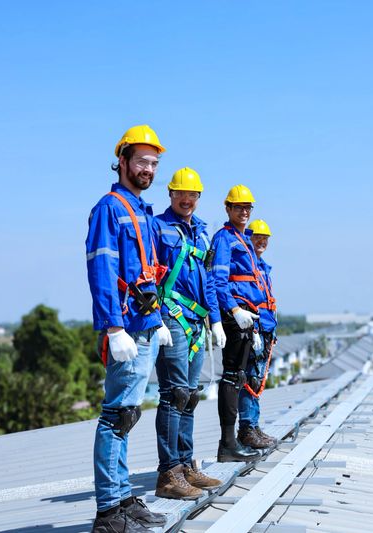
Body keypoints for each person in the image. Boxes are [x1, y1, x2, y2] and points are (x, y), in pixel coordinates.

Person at [86, 124, 174, 533]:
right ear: (122, 161)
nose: (148, 168)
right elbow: (102, 269)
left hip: (143, 323)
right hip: (125, 327)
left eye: (154, 163)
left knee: (128, 414)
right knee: (115, 417)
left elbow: (148, 274)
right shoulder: (110, 208)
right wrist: (112, 327)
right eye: (141, 160)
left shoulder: (141, 210)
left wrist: (156, 322)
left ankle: (123, 500)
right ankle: (109, 512)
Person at [152, 167, 225, 499]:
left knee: (190, 395)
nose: (187, 199)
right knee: (174, 394)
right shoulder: (159, 228)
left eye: (193, 195)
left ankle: (186, 464)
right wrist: (156, 319)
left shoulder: (201, 233)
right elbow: (150, 275)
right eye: (182, 193)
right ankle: (169, 473)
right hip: (172, 315)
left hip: (197, 321)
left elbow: (209, 280)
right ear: (171, 195)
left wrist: (216, 318)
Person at [210, 185, 266, 463]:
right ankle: (227, 444)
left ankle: (232, 442)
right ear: (228, 208)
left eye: (247, 208)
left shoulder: (242, 238)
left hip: (247, 316)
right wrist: (232, 310)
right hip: (236, 315)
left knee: (240, 377)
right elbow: (218, 281)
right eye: (238, 207)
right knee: (231, 378)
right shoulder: (224, 239)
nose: (244, 212)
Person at [237, 219, 278, 449]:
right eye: (257, 238)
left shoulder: (263, 267)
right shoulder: (247, 266)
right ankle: (246, 428)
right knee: (250, 379)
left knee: (258, 378)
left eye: (265, 239)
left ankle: (253, 424)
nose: (261, 242)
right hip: (254, 328)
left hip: (266, 328)